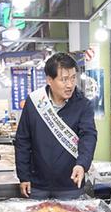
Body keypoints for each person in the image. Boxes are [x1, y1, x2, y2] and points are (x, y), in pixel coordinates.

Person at [15, 52, 97, 200]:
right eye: (64, 79)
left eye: (73, 78)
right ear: (49, 80)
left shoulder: (83, 105)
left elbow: (88, 137)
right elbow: (22, 140)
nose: (70, 85)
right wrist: (23, 175)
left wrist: (82, 165)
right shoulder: (35, 102)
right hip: (37, 185)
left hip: (71, 184)